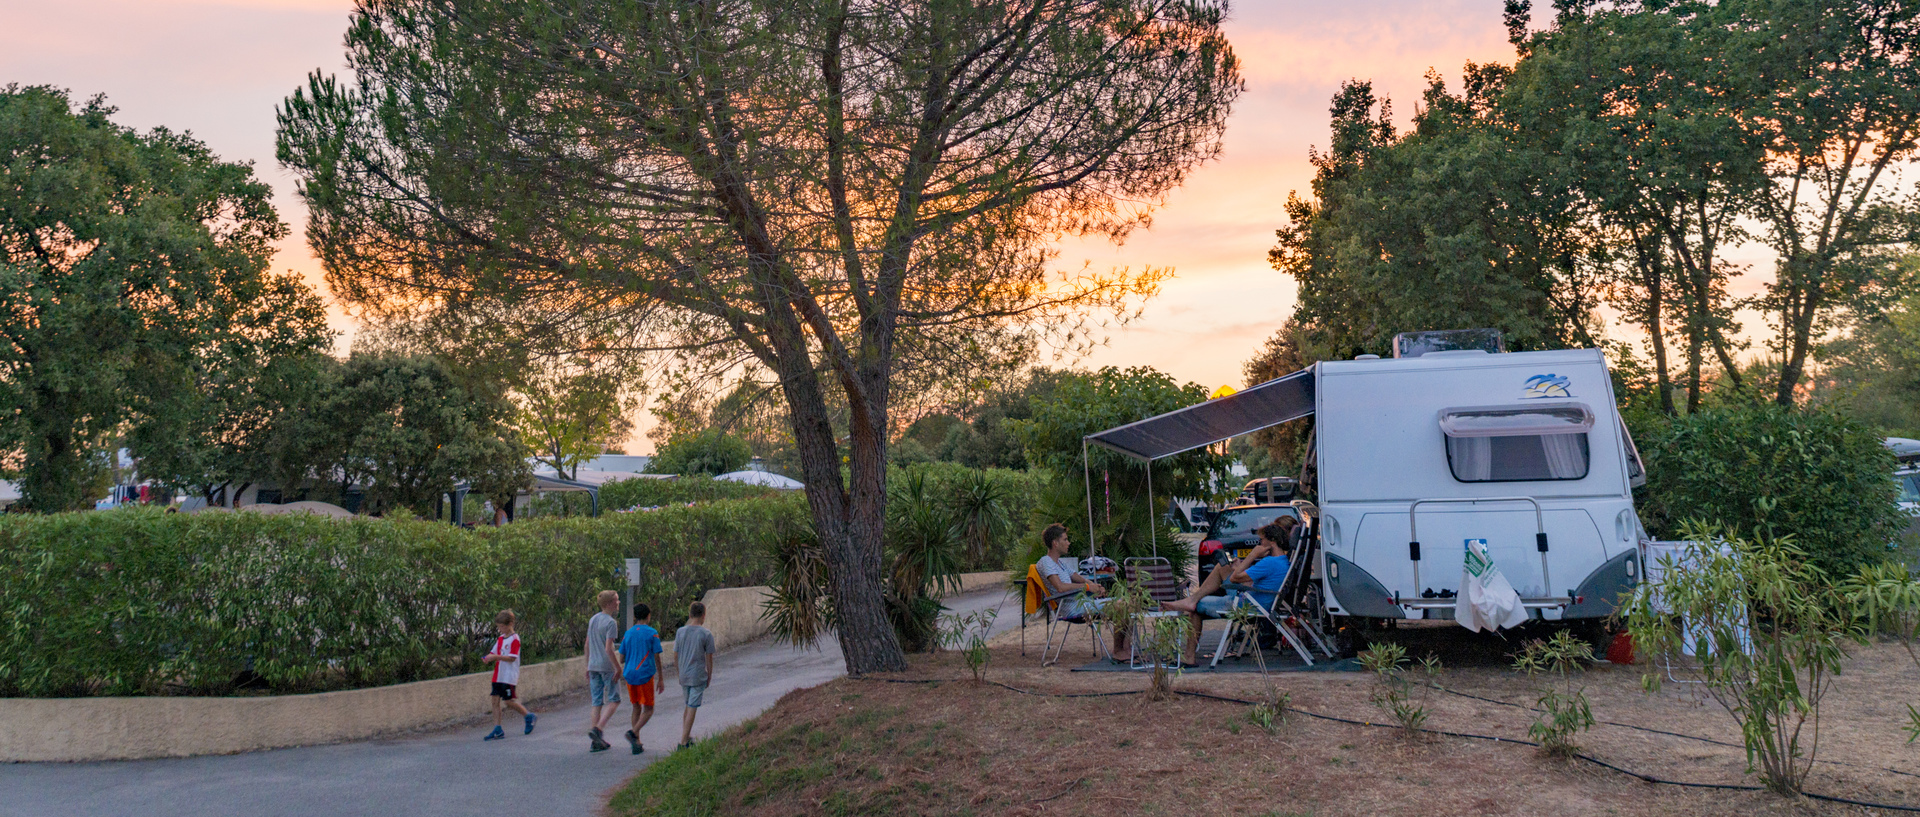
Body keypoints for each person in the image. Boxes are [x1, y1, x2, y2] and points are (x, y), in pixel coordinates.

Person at [1161, 519, 1295, 665]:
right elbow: (1254, 583)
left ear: (1272, 541)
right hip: (1254, 598)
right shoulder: (1282, 561)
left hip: (1246, 605)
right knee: (1222, 567)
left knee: (1197, 608)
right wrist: (1239, 567)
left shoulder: (1269, 562)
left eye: (1261, 540)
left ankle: (1189, 656)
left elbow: (1235, 577)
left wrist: (1251, 556)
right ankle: (1191, 601)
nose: (1259, 544)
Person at [615, 603, 665, 755]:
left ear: (635, 616)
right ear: (648, 616)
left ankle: (636, 742)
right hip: (644, 674)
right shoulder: (652, 633)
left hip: (630, 674)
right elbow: (657, 655)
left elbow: (622, 658)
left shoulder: (628, 634)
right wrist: (660, 677)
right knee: (648, 709)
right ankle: (633, 732)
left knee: (636, 706)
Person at [482, 609, 537, 741]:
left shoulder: (515, 639)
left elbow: (512, 658)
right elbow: (493, 652)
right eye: (499, 627)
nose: (500, 629)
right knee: (495, 700)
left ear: (510, 624)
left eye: (502, 627)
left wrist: (496, 657)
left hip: (509, 676)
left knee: (508, 701)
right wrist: (487, 657)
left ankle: (528, 716)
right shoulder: (500, 639)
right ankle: (497, 729)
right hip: (498, 674)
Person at [584, 590, 623, 753]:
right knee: (615, 700)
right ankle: (598, 729)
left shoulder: (593, 619)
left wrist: (587, 665)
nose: (618, 603)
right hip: (606, 667)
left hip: (593, 665)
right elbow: (609, 648)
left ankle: (596, 741)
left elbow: (586, 644)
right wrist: (618, 667)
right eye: (616, 600)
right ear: (609, 604)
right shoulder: (611, 623)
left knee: (597, 701)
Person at [673, 601, 716, 750]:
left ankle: (686, 735)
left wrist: (678, 672)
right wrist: (709, 675)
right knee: (692, 706)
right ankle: (683, 742)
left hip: (684, 674)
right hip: (697, 674)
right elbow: (709, 657)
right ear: (703, 615)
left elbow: (675, 654)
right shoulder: (706, 634)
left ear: (690, 615)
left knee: (688, 705)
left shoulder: (680, 632)